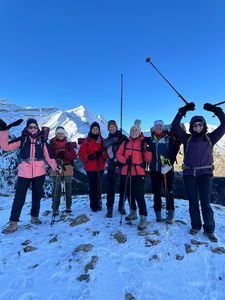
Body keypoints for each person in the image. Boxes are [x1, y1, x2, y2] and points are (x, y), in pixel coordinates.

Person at [172, 102, 225, 242]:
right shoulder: (187, 138)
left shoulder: (211, 138)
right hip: (189, 174)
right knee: (193, 202)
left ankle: (209, 230)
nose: (197, 127)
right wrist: (182, 111)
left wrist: (217, 110)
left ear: (204, 125)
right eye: (195, 125)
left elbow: (224, 124)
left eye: (200, 124)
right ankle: (196, 226)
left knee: (206, 202)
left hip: (205, 174)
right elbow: (175, 125)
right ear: (191, 126)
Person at [0, 118, 59, 234]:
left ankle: (34, 216)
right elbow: (5, 147)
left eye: (35, 127)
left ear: (37, 128)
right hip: (24, 172)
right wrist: (4, 131)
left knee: (37, 196)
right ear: (27, 128)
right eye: (30, 127)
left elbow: (49, 157)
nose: (33, 129)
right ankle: (13, 222)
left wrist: (55, 167)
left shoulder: (42, 142)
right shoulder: (21, 140)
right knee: (19, 198)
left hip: (39, 172)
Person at [116, 119, 152, 230]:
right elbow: (118, 154)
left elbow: (148, 158)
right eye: (132, 130)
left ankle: (143, 216)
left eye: (136, 130)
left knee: (138, 194)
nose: (134, 132)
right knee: (129, 193)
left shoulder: (143, 143)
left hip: (138, 172)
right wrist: (125, 160)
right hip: (126, 171)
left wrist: (148, 149)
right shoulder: (125, 142)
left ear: (139, 132)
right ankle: (133, 212)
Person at [146, 120, 177, 224]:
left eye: (160, 126)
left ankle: (170, 212)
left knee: (168, 191)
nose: (158, 128)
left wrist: (169, 163)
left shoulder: (169, 139)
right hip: (154, 169)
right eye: (156, 126)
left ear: (163, 127)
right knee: (156, 192)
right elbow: (139, 139)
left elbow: (173, 154)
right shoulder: (150, 139)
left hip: (166, 169)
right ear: (154, 127)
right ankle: (158, 213)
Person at [78, 121, 108, 212]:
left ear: (99, 130)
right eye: (93, 129)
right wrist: (87, 157)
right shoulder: (86, 141)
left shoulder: (103, 141)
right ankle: (93, 205)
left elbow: (107, 154)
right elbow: (81, 154)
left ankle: (99, 203)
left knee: (98, 184)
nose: (95, 130)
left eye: (96, 129)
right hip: (90, 167)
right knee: (93, 185)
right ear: (91, 130)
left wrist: (102, 153)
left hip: (100, 166)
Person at [103, 120, 128, 218]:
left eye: (113, 127)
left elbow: (128, 145)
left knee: (123, 186)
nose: (112, 128)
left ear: (116, 127)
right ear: (108, 129)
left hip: (122, 163)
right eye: (110, 127)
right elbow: (105, 145)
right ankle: (110, 207)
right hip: (112, 163)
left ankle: (121, 206)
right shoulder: (108, 139)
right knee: (111, 187)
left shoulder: (123, 137)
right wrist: (115, 140)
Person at [50, 126, 77, 215]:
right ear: (56, 134)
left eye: (62, 133)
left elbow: (73, 156)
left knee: (68, 188)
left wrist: (65, 154)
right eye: (59, 133)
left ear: (64, 134)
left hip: (67, 168)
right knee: (56, 188)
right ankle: (55, 207)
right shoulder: (52, 144)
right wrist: (58, 159)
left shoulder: (68, 144)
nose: (60, 135)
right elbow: (49, 157)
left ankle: (68, 206)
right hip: (56, 168)